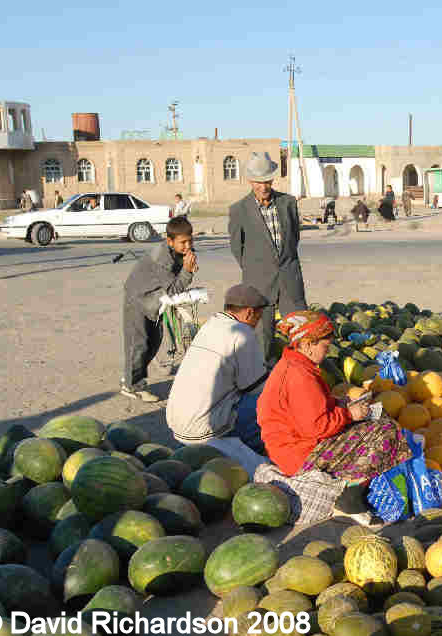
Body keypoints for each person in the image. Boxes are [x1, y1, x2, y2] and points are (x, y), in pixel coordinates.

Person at [256, 310, 413, 518]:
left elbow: (310, 409)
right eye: (324, 346)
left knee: (376, 418)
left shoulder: (295, 366)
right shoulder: (299, 376)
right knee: (386, 430)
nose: (327, 351)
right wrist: (348, 414)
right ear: (306, 345)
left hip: (290, 446)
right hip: (297, 455)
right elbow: (316, 427)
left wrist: (339, 404)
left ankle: (357, 486)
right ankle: (349, 499)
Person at [167, 284, 269, 451]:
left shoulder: (210, 325)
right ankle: (254, 449)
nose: (257, 324)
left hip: (178, 426)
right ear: (250, 312)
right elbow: (255, 388)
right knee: (272, 401)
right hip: (203, 430)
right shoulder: (242, 332)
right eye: (258, 318)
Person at [228, 151, 307, 359]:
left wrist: (284, 264)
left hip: (290, 279)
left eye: (267, 181)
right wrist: (257, 269)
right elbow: (238, 249)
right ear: (249, 181)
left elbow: (294, 239)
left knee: (301, 333)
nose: (263, 187)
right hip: (259, 283)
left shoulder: (288, 203)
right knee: (261, 340)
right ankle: (261, 382)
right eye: (258, 182)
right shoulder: (239, 210)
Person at [121, 216, 197, 401]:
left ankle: (132, 374)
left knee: (154, 341)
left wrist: (187, 270)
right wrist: (187, 272)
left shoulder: (181, 252)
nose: (188, 246)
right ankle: (132, 386)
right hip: (138, 298)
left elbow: (175, 282)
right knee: (138, 343)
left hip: (155, 299)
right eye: (183, 242)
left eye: (190, 240)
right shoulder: (161, 259)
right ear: (169, 241)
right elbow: (172, 289)